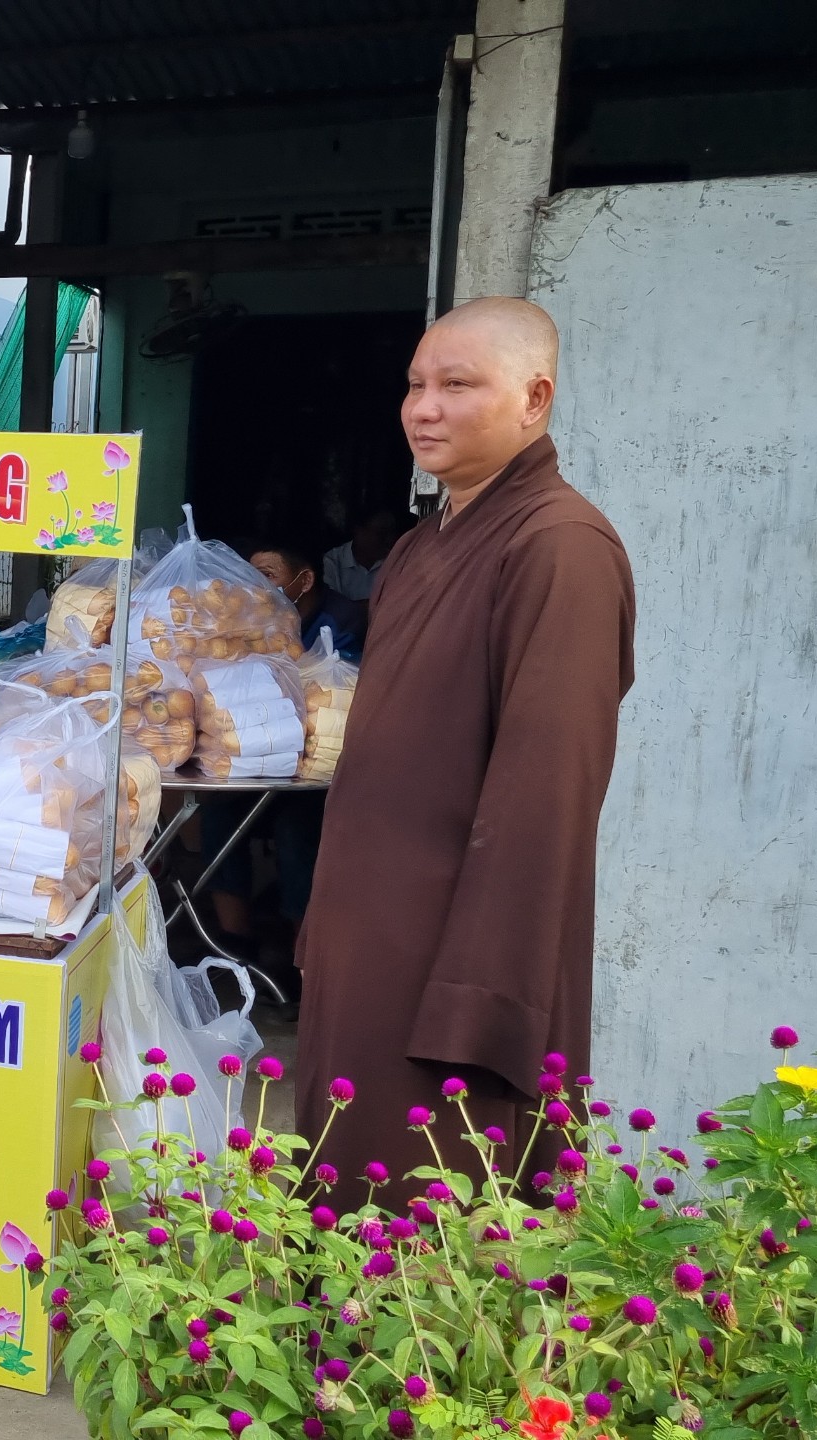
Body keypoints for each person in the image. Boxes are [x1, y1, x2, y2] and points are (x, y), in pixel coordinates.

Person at [296, 297, 636, 1201]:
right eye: (414, 384)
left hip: (455, 966)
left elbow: (547, 792)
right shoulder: (418, 549)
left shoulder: (559, 547)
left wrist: (484, 998)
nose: (424, 407)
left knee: (437, 1220)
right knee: (339, 1208)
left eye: (457, 384)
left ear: (534, 399)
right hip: (369, 943)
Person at [249, 541, 358, 662]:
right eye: (251, 575)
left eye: (267, 575)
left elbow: (335, 674)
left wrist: (290, 635)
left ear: (306, 580)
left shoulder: (341, 620)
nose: (255, 584)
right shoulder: (253, 612)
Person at [320, 508, 402, 603]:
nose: (389, 540)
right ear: (359, 532)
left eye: (391, 533)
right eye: (381, 534)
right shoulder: (331, 563)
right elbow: (332, 608)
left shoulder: (396, 562)